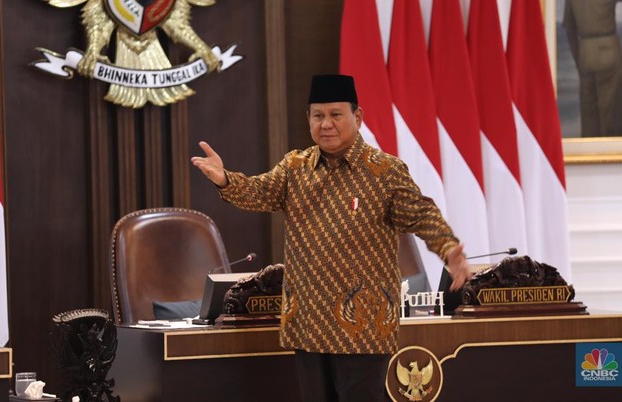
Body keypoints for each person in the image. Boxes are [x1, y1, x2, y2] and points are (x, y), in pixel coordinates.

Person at [191, 74, 471, 402]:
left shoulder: (384, 171)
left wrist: (449, 249)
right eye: (318, 116)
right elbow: (259, 192)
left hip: (363, 328)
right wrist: (225, 179)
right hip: (309, 323)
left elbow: (421, 214)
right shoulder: (296, 167)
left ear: (358, 117)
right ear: (308, 119)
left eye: (336, 115)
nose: (326, 124)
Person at [564, 0, 622, 137]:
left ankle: (590, 155)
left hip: (586, 53)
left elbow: (570, 28)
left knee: (589, 116)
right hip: (609, 48)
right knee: (613, 114)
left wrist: (579, 58)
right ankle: (614, 155)